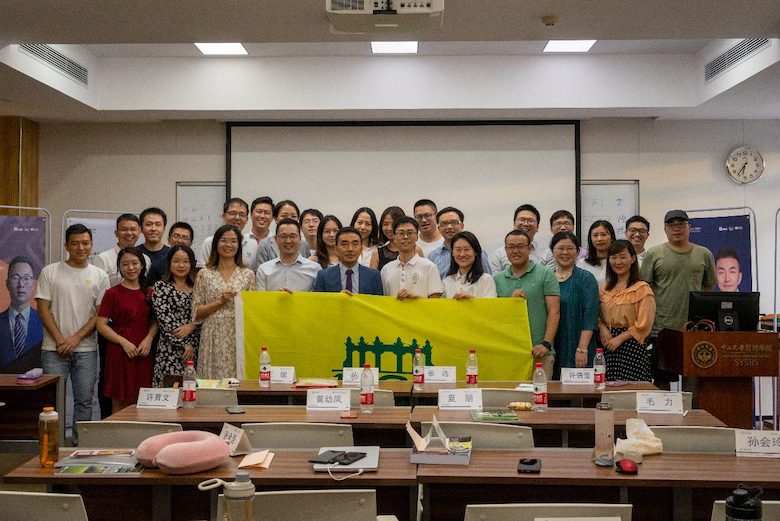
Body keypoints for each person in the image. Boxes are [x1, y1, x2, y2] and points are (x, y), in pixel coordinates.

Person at [36, 224, 110, 446]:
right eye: (75, 243)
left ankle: (80, 446)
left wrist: (75, 338)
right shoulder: (50, 271)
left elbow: (100, 314)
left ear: (92, 245)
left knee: (84, 401)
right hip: (53, 348)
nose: (81, 248)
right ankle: (53, 447)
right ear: (66, 245)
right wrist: (61, 339)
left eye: (85, 243)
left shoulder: (100, 275)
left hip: (86, 349)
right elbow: (43, 309)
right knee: (53, 402)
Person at [641, 210, 717, 388]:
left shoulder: (704, 254)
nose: (677, 229)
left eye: (681, 224)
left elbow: (709, 288)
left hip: (694, 328)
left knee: (692, 378)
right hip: (662, 328)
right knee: (662, 380)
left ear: (689, 227)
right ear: (665, 229)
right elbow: (644, 290)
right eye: (672, 225)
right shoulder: (654, 253)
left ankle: (690, 408)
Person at [97, 247, 158, 412]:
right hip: (119, 352)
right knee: (119, 403)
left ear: (142, 265)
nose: (131, 268)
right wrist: (123, 342)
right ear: (119, 267)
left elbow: (155, 321)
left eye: (135, 263)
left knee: (143, 402)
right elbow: (101, 325)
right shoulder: (112, 293)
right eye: (125, 264)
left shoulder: (150, 293)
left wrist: (149, 339)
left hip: (143, 352)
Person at [494, 230, 560, 379]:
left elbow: (554, 311)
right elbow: (496, 315)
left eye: (520, 246)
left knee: (539, 393)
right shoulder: (498, 279)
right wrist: (510, 302)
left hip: (540, 351)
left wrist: (546, 344)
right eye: (511, 247)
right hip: (509, 352)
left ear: (529, 248)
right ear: (505, 250)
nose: (515, 251)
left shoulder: (545, 273)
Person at [193, 224, 256, 379]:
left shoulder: (248, 275)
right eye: (223, 240)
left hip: (237, 334)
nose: (228, 244)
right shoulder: (204, 274)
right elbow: (196, 313)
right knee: (211, 380)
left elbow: (252, 312)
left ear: (239, 246)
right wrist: (220, 301)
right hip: (211, 334)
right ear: (215, 244)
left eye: (233, 241)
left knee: (236, 379)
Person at [598, 240, 656, 382]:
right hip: (607, 345)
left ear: (633, 258)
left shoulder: (642, 289)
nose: (618, 262)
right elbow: (597, 314)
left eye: (623, 257)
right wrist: (602, 328)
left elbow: (644, 324)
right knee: (607, 390)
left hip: (632, 347)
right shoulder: (604, 289)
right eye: (613, 257)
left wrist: (620, 338)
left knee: (631, 390)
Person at [549, 231, 599, 380]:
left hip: (577, 343)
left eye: (570, 248)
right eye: (560, 248)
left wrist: (582, 349)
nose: (565, 252)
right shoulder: (547, 278)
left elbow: (590, 316)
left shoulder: (586, 278)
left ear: (577, 252)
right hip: (552, 345)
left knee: (578, 389)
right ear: (552, 251)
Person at [151, 245, 200, 387]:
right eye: (176, 261)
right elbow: (166, 321)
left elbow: (205, 314)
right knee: (170, 390)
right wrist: (186, 344)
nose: (181, 265)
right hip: (170, 348)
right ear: (169, 263)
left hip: (197, 347)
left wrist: (193, 326)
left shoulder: (198, 287)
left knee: (193, 391)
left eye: (186, 261)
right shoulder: (161, 287)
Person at [381, 216, 443, 299]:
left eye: (410, 233)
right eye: (401, 233)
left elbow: (436, 302)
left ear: (417, 237)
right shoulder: (386, 269)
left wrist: (415, 297)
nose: (405, 237)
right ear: (394, 238)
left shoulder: (429, 267)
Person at [0, 256, 44, 368]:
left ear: (33, 284)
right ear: (7, 283)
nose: (21, 285)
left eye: (26, 278)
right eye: (15, 278)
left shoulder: (44, 321)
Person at [313, 227, 384, 295]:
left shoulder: (374, 276)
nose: (350, 249)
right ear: (336, 250)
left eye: (355, 244)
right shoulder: (323, 276)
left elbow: (378, 302)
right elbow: (317, 302)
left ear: (361, 249)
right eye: (344, 244)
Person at [257, 219, 322, 292]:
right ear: (276, 239)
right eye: (283, 236)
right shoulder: (264, 270)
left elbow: (318, 298)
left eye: (293, 236)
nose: (288, 241)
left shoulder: (315, 269)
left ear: (300, 239)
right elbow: (261, 298)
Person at [428, 207, 492, 279]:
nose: (449, 227)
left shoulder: (478, 254)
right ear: (439, 229)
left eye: (454, 222)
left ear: (462, 226)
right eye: (444, 223)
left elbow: (487, 280)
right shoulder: (433, 256)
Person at [93, 214, 151, 288]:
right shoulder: (103, 259)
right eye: (124, 229)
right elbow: (96, 288)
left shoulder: (145, 259)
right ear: (116, 233)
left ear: (139, 233)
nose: (129, 233)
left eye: (133, 229)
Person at [489, 204, 545, 273]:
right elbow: (496, 279)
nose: (525, 224)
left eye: (530, 220)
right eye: (522, 220)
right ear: (514, 224)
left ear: (537, 227)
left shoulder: (547, 254)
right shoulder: (499, 255)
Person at [253, 200, 311, 266]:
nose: (289, 219)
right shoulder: (265, 245)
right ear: (275, 218)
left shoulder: (304, 245)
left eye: (293, 216)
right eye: (284, 216)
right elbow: (260, 269)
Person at [197, 198, 251, 268]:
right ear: (223, 216)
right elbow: (201, 269)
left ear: (246, 219)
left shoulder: (252, 244)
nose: (237, 218)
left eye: (242, 214)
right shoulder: (209, 242)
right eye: (233, 213)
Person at [442, 231, 497, 299]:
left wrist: (471, 299)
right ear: (452, 253)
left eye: (467, 249)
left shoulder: (485, 279)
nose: (462, 254)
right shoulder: (446, 281)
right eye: (458, 250)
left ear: (475, 252)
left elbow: (490, 305)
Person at [370, 206, 424, 271]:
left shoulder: (416, 250)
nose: (389, 228)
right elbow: (373, 276)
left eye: (393, 224)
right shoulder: (377, 253)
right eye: (385, 224)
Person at [577, 220, 615, 287]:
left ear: (612, 237)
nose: (599, 239)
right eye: (595, 235)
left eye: (603, 235)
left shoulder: (618, 263)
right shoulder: (583, 264)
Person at [137, 207, 170, 285]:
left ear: (164, 229)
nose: (153, 229)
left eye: (158, 225)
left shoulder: (171, 255)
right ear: (141, 229)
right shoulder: (134, 254)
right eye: (149, 224)